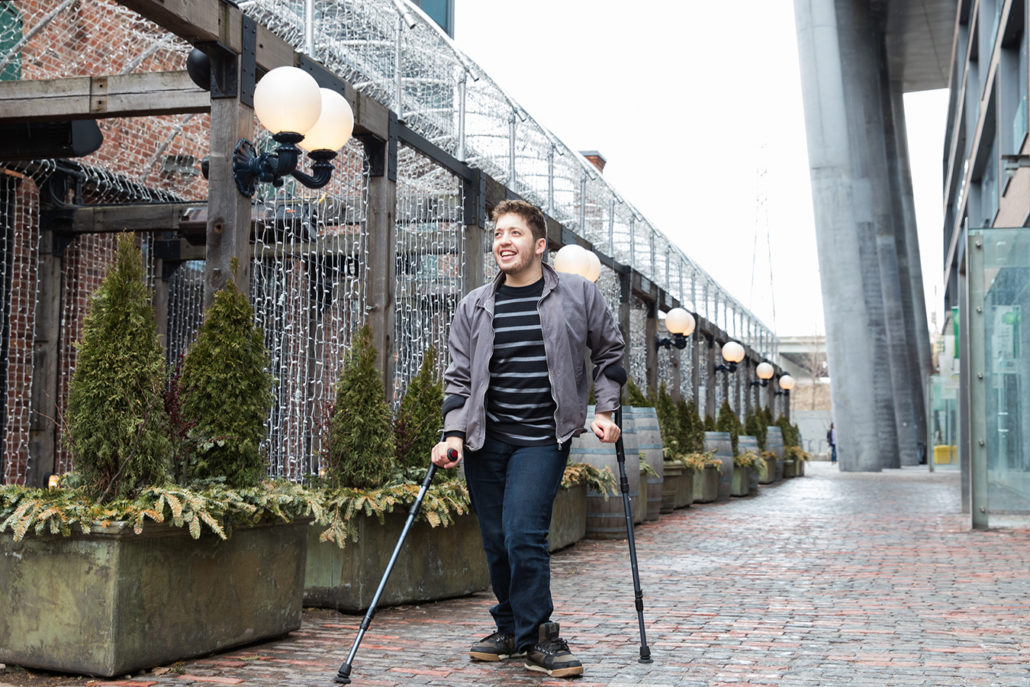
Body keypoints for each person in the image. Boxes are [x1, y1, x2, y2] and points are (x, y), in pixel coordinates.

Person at [431, 199, 625, 679]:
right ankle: (511, 628)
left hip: (543, 437)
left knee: (523, 534)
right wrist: (451, 435)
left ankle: (540, 635)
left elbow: (610, 351)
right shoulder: (474, 304)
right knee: (497, 541)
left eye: (515, 233)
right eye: (498, 233)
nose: (503, 241)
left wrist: (605, 409)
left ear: (540, 245)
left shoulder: (577, 294)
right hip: (484, 441)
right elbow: (457, 378)